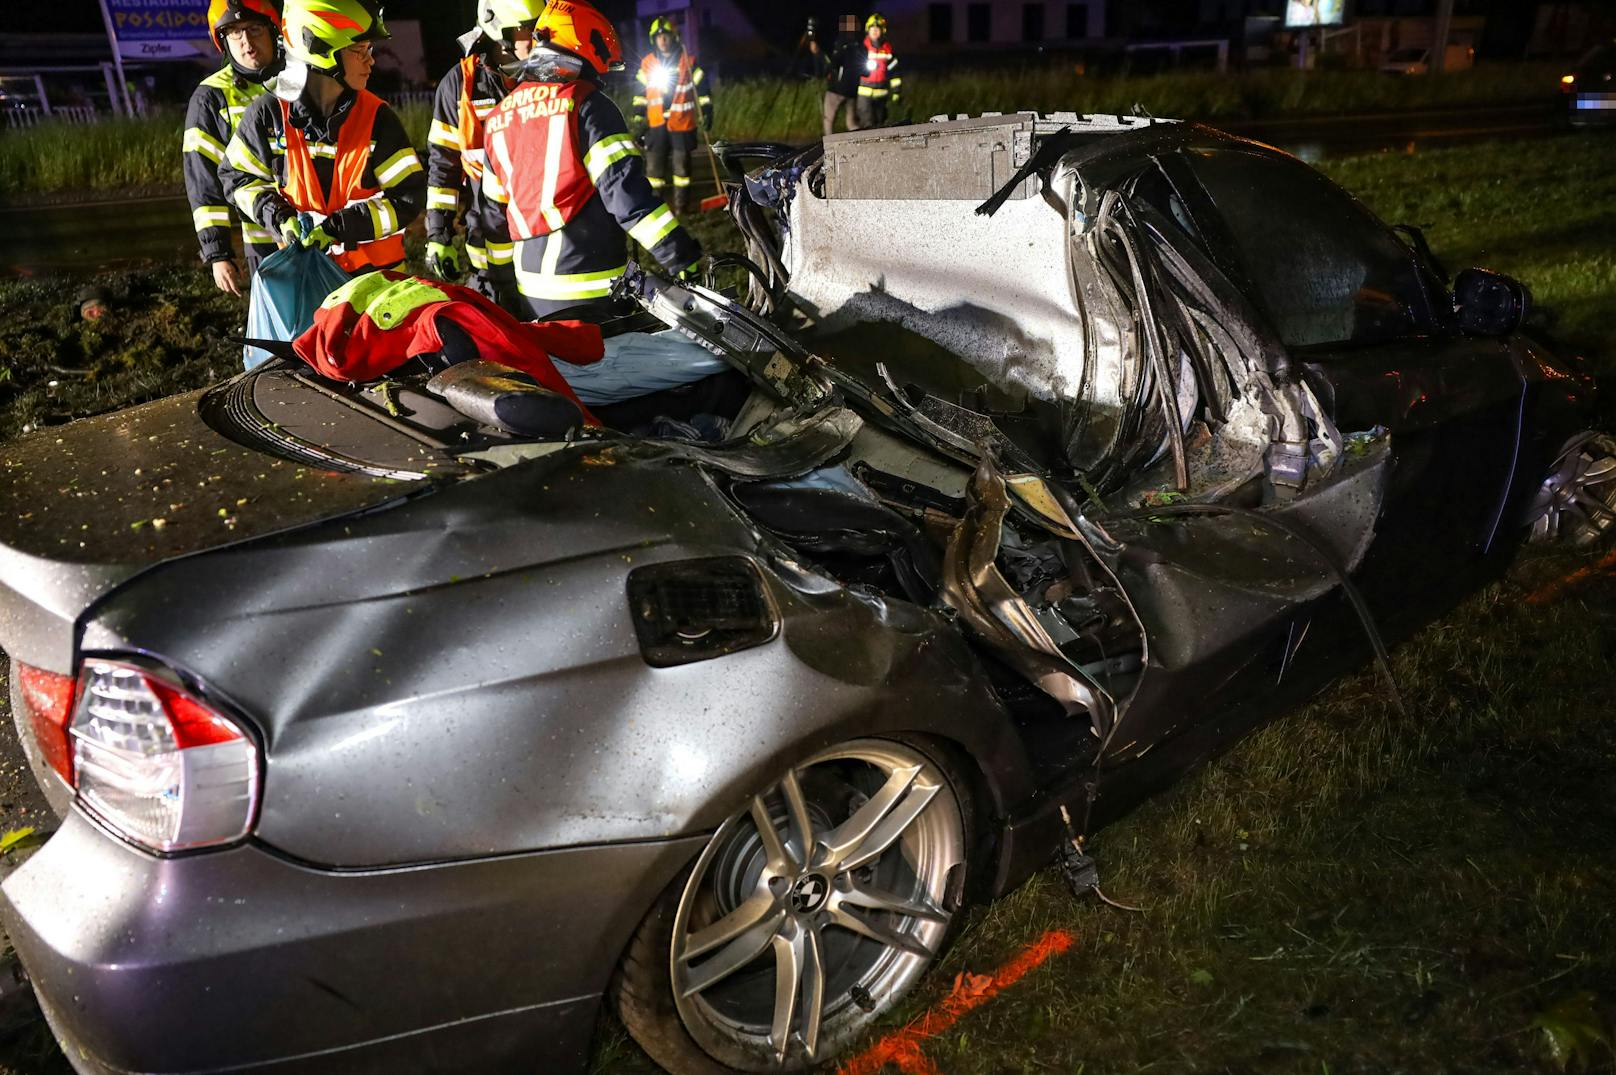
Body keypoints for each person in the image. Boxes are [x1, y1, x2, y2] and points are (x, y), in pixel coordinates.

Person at [480, 0, 702, 321]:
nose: (599, 78)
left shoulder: (500, 116)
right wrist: (682, 257)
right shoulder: (586, 104)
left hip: (530, 293)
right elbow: (626, 195)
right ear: (586, 47)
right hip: (591, 291)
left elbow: (494, 217)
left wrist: (503, 288)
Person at [219, 0, 425, 274]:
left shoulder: (378, 118)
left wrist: (338, 228)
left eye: (369, 49)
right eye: (359, 50)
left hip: (378, 291)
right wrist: (280, 219)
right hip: (308, 286)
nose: (370, 60)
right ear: (319, 50)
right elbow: (238, 178)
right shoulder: (267, 116)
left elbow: (407, 197)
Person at [423, 0, 545, 298]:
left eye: (536, 29)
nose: (534, 39)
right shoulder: (459, 86)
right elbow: (443, 166)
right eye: (524, 30)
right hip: (487, 248)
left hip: (545, 240)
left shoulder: (548, 76)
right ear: (497, 30)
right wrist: (438, 233)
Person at [183, 0, 284, 297]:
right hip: (263, 238)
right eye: (235, 34)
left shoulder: (299, 79)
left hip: (323, 230)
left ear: (272, 31)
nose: (247, 42)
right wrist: (218, 253)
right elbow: (202, 180)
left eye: (254, 29)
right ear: (223, 42)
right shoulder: (210, 98)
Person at [631, 16, 712, 216]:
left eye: (666, 36)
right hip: (656, 124)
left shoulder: (688, 61)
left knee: (682, 170)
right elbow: (640, 94)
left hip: (682, 123)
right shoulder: (647, 64)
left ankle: (681, 208)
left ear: (674, 37)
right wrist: (639, 120)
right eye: (658, 37)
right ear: (653, 40)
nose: (663, 40)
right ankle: (654, 209)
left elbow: (702, 89)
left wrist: (708, 110)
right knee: (654, 171)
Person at [856, 12, 901, 130]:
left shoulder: (888, 50)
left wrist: (896, 92)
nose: (875, 31)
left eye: (878, 28)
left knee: (881, 125)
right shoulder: (861, 48)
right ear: (868, 30)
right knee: (867, 124)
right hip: (864, 93)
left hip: (882, 94)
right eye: (872, 28)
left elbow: (895, 72)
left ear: (883, 31)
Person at [822, 14, 863, 136]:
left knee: (828, 119)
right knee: (851, 122)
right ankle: (859, 141)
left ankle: (828, 144)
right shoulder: (860, 46)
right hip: (852, 90)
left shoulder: (842, 43)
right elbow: (865, 69)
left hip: (837, 89)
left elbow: (834, 63)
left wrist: (827, 71)